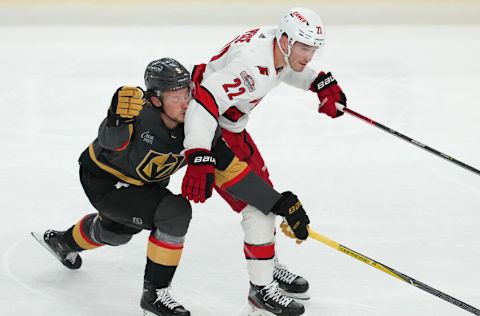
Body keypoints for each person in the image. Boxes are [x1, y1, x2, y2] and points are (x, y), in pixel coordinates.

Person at [32, 57, 312, 316]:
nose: (186, 103)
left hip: (143, 186)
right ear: (154, 99)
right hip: (104, 181)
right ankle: (154, 294)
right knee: (175, 212)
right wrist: (115, 117)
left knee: (116, 233)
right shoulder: (137, 114)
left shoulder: (199, 122)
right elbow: (111, 140)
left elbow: (232, 171)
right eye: (176, 97)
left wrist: (277, 202)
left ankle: (62, 242)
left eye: (187, 93)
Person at [181, 7, 347, 316]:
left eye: (314, 48)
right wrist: (200, 154)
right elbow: (205, 99)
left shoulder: (275, 44)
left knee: (267, 196)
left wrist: (319, 83)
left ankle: (266, 264)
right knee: (259, 207)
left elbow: (285, 69)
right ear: (285, 40)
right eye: (304, 47)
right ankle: (260, 290)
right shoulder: (252, 69)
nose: (309, 56)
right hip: (209, 129)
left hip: (231, 128)